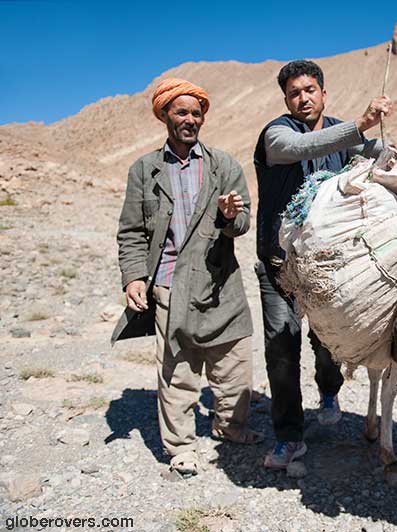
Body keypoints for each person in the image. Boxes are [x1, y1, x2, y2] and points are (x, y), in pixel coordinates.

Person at [112, 78, 263, 477]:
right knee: (177, 370)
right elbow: (131, 232)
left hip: (220, 284)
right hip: (169, 284)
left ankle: (231, 427)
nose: (190, 119)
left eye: (196, 113)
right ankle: (181, 447)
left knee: (235, 366)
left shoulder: (223, 165)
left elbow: (244, 222)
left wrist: (231, 216)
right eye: (182, 112)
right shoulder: (144, 170)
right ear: (165, 115)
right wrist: (134, 278)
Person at [254, 60, 393, 469]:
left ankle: (329, 390)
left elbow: (382, 152)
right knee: (281, 348)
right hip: (280, 265)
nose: (303, 98)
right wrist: (360, 125)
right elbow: (302, 148)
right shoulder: (276, 135)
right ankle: (288, 436)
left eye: (310, 90)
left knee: (328, 339)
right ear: (286, 100)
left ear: (323, 93)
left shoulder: (341, 133)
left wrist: (391, 150)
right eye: (294, 93)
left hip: (328, 265)